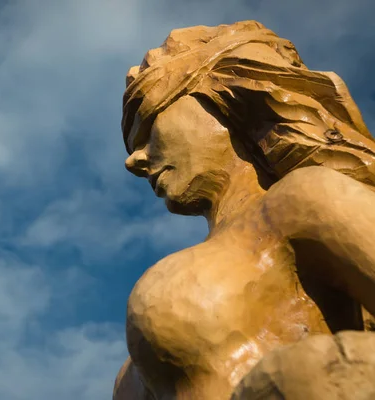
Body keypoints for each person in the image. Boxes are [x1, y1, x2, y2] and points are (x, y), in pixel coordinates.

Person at [114, 20, 375, 400]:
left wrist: (301, 377)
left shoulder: (303, 201)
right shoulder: (131, 370)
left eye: (148, 125)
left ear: (219, 99)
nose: (135, 160)